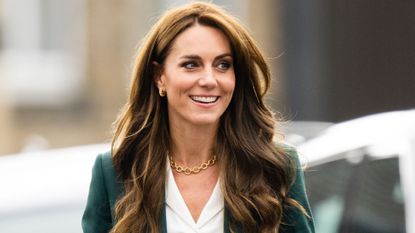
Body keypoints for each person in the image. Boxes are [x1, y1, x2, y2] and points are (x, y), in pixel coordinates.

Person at [82, 2, 314, 233]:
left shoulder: (275, 168)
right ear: (159, 76)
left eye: (223, 65)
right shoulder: (116, 171)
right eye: (191, 65)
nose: (209, 80)